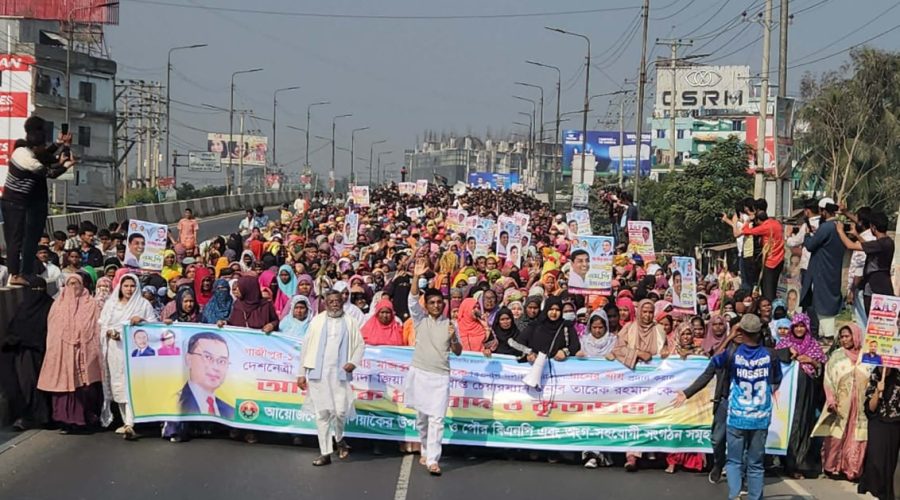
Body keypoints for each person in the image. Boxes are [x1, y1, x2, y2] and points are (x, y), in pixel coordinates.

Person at [403, 260, 462, 476]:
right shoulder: (420, 320)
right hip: (419, 372)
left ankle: (433, 460)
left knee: (437, 418)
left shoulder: (450, 324)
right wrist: (417, 277)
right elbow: (411, 300)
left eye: (439, 302)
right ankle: (425, 448)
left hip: (440, 376)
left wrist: (453, 337)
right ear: (426, 305)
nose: (437, 305)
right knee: (422, 418)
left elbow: (458, 351)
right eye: (432, 302)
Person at [714, 314, 782, 500]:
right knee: (756, 464)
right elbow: (776, 381)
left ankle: (735, 495)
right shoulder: (770, 355)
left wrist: (729, 336)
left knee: (734, 461)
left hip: (737, 416)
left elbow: (715, 358)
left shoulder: (732, 354)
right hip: (760, 417)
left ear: (741, 332)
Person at [2, 115, 74, 287]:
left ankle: (19, 273)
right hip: (15, 204)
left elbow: (44, 156)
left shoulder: (22, 150)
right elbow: (49, 172)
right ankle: (14, 274)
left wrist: (58, 145)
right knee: (15, 240)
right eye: (42, 146)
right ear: (35, 146)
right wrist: (65, 165)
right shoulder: (29, 160)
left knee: (17, 239)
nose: (43, 148)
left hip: (15, 203)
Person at [297, 290, 365, 466]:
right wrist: (301, 373)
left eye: (337, 301)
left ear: (342, 302)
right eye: (331, 301)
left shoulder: (350, 321)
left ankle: (340, 438)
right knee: (322, 413)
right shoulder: (317, 321)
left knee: (341, 411)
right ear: (325, 304)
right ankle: (325, 453)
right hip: (318, 373)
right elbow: (306, 347)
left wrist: (353, 362)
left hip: (340, 374)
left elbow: (360, 345)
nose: (334, 304)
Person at [37, 274, 103, 433]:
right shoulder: (58, 305)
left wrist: (85, 342)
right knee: (64, 384)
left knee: (85, 387)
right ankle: (65, 420)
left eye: (77, 283)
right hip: (63, 352)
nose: (74, 287)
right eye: (70, 283)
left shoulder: (92, 304)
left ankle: (83, 418)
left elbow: (97, 327)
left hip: (85, 351)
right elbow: (53, 331)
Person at [99, 273, 158, 440]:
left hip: (134, 351)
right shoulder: (111, 305)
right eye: (126, 286)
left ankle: (131, 422)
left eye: (132, 286)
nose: (129, 289)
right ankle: (126, 422)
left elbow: (153, 326)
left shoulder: (143, 304)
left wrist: (141, 322)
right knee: (117, 382)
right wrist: (110, 332)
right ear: (120, 287)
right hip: (114, 349)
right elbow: (103, 325)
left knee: (131, 383)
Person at [812, 324, 870, 481]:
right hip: (840, 405)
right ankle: (833, 467)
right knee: (836, 435)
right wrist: (830, 399)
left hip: (861, 407)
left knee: (857, 436)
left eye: (847, 336)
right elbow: (828, 379)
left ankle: (852, 469)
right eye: (842, 337)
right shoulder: (837, 356)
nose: (844, 340)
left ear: (856, 336)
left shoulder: (867, 356)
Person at [774, 313, 827, 478]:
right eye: (796, 326)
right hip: (786, 396)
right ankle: (785, 463)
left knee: (802, 425)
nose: (799, 329)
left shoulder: (814, 346)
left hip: (806, 396)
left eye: (802, 326)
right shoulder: (784, 344)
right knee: (787, 425)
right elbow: (774, 360)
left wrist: (811, 361)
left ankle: (796, 464)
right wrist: (788, 354)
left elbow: (821, 371)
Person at [0, 276, 54, 430]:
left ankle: (43, 416)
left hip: (42, 354)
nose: (37, 293)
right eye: (34, 289)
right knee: (25, 385)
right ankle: (27, 417)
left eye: (40, 290)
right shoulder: (23, 307)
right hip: (23, 355)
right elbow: (14, 328)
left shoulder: (50, 306)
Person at [836, 211, 894, 314]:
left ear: (873, 227)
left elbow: (850, 245)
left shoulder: (879, 244)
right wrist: (857, 236)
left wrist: (840, 231)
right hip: (884, 285)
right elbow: (868, 247)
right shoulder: (888, 242)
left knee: (874, 321)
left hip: (876, 287)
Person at [801, 198, 844, 339]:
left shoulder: (826, 227)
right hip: (833, 269)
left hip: (822, 270)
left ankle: (827, 335)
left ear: (824, 211)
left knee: (822, 302)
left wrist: (807, 234)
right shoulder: (838, 226)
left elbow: (811, 245)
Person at [858, 366, 900, 500]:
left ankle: (888, 493)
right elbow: (871, 408)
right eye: (882, 367)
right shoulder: (875, 376)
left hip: (895, 422)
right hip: (878, 421)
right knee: (876, 459)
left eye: (887, 368)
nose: (884, 370)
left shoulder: (898, 377)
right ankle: (876, 488)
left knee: (891, 461)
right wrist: (878, 391)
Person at [178, 331, 235, 419]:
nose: (215, 367)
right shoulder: (174, 403)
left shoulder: (230, 411)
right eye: (208, 357)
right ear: (188, 359)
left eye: (222, 361)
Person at [737, 199, 784, 301]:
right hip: (780, 260)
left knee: (767, 291)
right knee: (774, 288)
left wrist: (748, 221)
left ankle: (770, 310)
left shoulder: (764, 227)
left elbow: (745, 231)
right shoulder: (776, 223)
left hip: (770, 261)